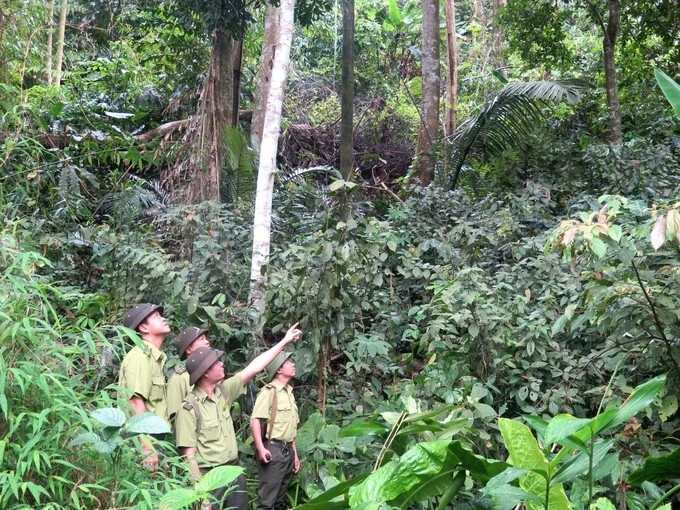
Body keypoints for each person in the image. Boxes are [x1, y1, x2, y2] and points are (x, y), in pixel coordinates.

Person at [175, 323, 302, 510]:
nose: (221, 364)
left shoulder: (224, 392)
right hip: (210, 480)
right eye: (216, 363)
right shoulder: (189, 408)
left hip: (234, 473)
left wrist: (284, 341)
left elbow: (255, 367)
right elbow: (189, 456)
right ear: (205, 372)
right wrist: (201, 494)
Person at [118, 303, 171, 470]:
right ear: (143, 327)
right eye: (156, 316)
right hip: (144, 439)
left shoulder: (153, 358)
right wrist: (147, 447)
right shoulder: (140, 356)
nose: (163, 318)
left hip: (154, 438)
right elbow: (135, 402)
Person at [250, 351, 300, 510]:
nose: (293, 364)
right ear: (279, 369)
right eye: (289, 362)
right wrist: (261, 448)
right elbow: (255, 420)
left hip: (287, 451)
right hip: (274, 450)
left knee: (279, 500)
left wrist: (295, 455)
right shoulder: (269, 392)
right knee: (267, 502)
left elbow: (291, 428)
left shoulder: (289, 392)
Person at [166, 326, 210, 424]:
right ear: (189, 349)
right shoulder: (179, 379)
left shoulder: (213, 374)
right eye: (201, 339)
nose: (207, 342)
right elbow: (174, 418)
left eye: (206, 339)